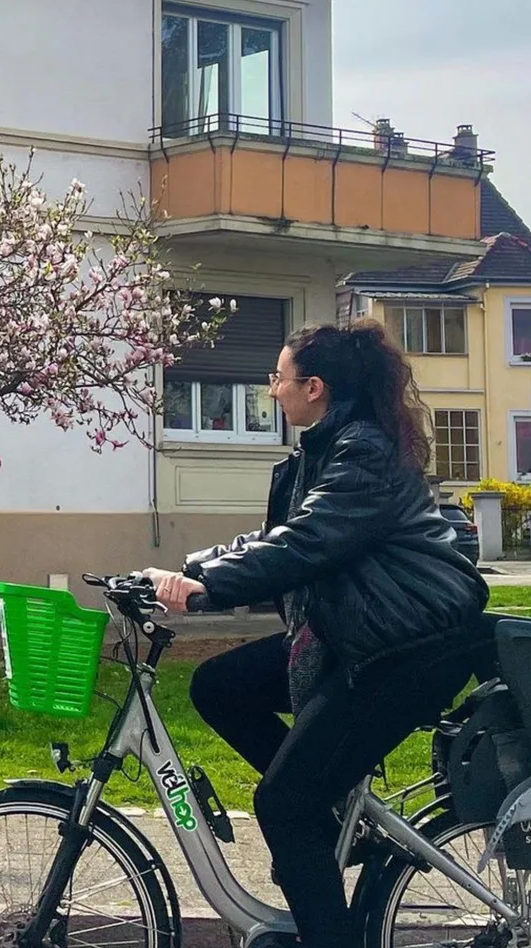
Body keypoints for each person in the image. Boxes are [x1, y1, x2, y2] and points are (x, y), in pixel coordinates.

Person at [143, 320, 489, 948]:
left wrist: (204, 587)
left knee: (285, 804)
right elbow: (278, 538)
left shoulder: (364, 452)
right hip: (355, 637)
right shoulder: (328, 449)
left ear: (315, 387)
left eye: (278, 378)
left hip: (407, 651)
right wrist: (185, 571)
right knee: (219, 686)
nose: (271, 390)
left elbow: (307, 544)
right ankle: (332, 825)